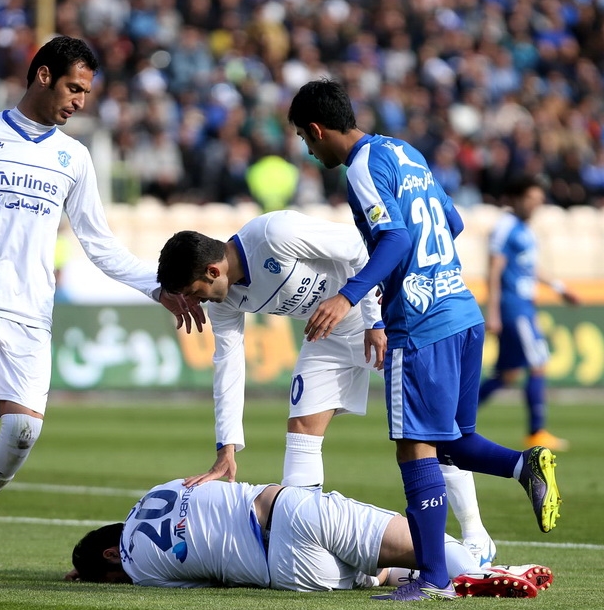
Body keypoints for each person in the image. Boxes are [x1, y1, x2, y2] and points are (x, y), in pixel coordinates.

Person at [0, 35, 204, 587]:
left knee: (21, 434)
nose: (80, 101)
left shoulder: (73, 158)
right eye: (74, 88)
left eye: (86, 92)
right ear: (42, 75)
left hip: (31, 314)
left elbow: (99, 243)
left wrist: (159, 288)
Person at [286, 78, 562, 602]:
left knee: (415, 447)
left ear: (318, 129)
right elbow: (450, 221)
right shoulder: (404, 151)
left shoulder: (362, 167)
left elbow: (395, 237)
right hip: (462, 311)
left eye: (305, 137)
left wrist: (349, 297)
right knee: (452, 442)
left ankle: (434, 577)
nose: (307, 148)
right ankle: (524, 464)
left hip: (420, 324)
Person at [155, 213, 496, 567]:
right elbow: (228, 364)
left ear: (212, 271)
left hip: (384, 312)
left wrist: (373, 320)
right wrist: (226, 447)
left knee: (431, 430)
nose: (200, 302)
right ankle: (301, 542)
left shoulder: (273, 234)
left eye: (196, 293)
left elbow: (360, 251)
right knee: (302, 427)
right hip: (328, 335)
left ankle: (476, 537)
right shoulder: (225, 302)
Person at [66, 477, 554, 599]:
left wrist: (90, 573)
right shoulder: (159, 491)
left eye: (109, 576)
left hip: (291, 575)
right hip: (285, 509)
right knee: (415, 540)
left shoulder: (143, 571)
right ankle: (486, 569)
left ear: (113, 551)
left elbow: (208, 581)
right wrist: (92, 567)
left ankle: (443, 582)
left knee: (380, 573)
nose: (119, 579)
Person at [477, 175, 580, 452]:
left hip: (523, 306)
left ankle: (454, 417)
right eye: (531, 199)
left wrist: (559, 287)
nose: (536, 205)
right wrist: (494, 311)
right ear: (516, 199)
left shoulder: (523, 229)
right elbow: (495, 270)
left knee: (507, 374)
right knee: (538, 363)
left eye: (539, 200)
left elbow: (528, 268)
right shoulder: (506, 227)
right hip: (515, 309)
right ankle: (536, 431)